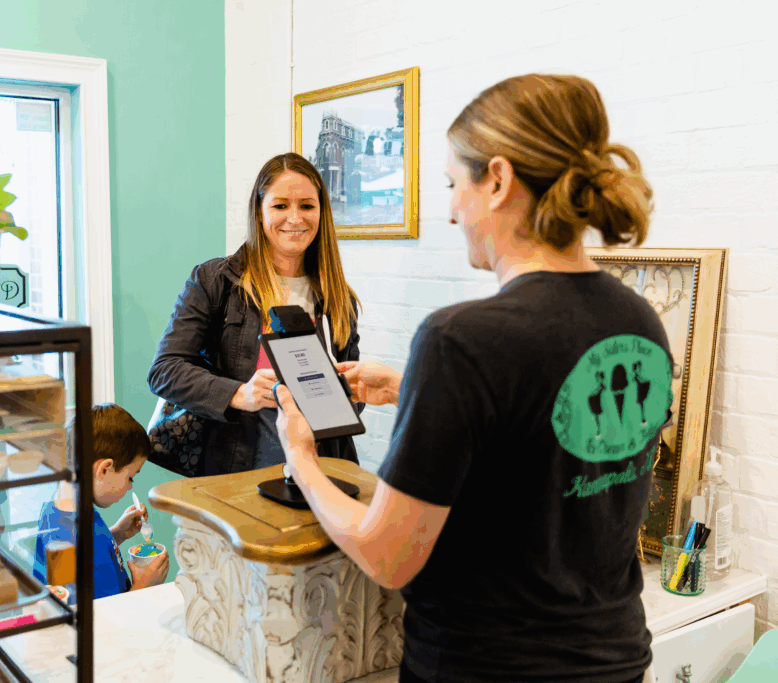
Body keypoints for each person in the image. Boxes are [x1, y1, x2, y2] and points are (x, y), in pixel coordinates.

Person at [273, 74, 669, 683]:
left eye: (454, 185)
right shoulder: (638, 319)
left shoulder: (462, 339)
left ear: (499, 181)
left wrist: (301, 457)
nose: (452, 209)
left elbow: (388, 556)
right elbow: (554, 434)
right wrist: (415, 388)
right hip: (614, 662)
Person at [148, 153, 363, 475]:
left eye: (306, 205)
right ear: (259, 211)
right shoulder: (216, 280)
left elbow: (351, 397)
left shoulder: (337, 295)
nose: (294, 219)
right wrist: (238, 393)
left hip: (319, 472)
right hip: (234, 470)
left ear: (321, 212)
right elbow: (165, 370)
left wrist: (347, 391)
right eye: (280, 206)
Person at [31, 404, 169, 601]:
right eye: (131, 477)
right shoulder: (78, 539)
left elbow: (91, 556)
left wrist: (117, 534)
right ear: (104, 469)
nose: (130, 487)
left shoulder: (57, 510)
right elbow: (103, 620)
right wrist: (144, 586)